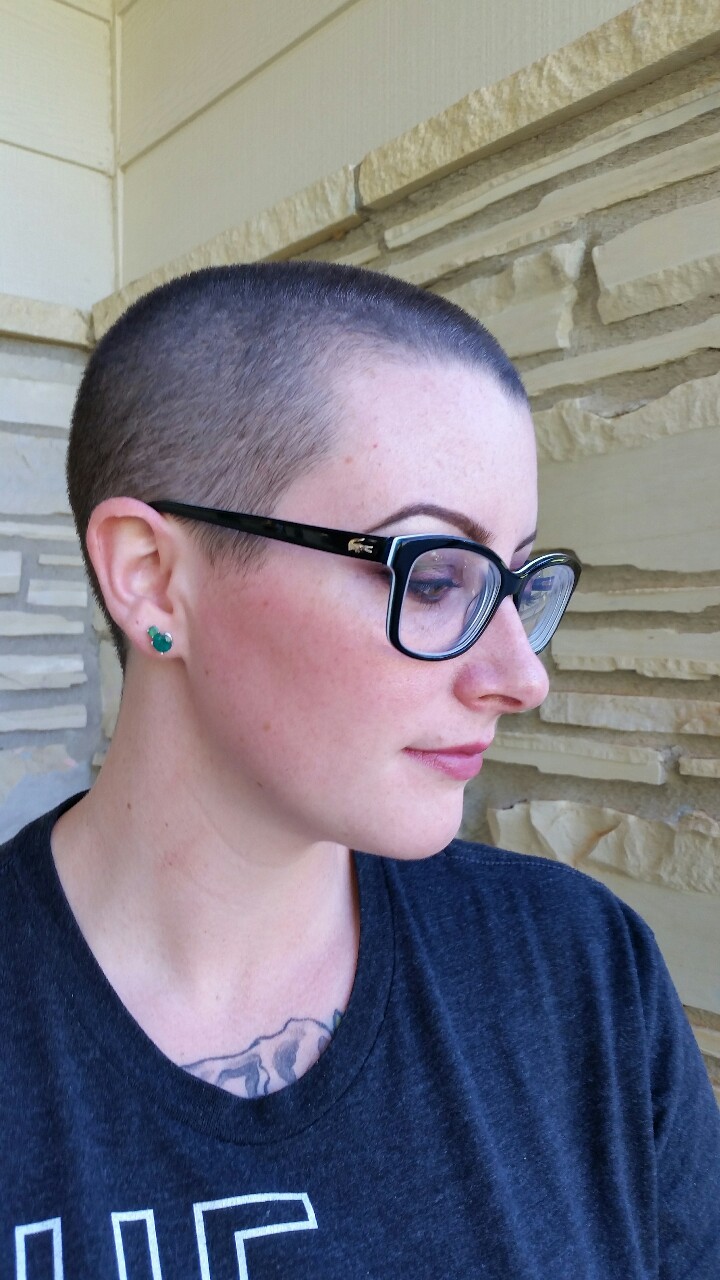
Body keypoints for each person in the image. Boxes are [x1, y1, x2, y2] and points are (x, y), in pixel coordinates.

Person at [1, 262, 717, 1279]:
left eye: (514, 583)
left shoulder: (579, 975)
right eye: (432, 578)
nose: (522, 677)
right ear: (153, 578)